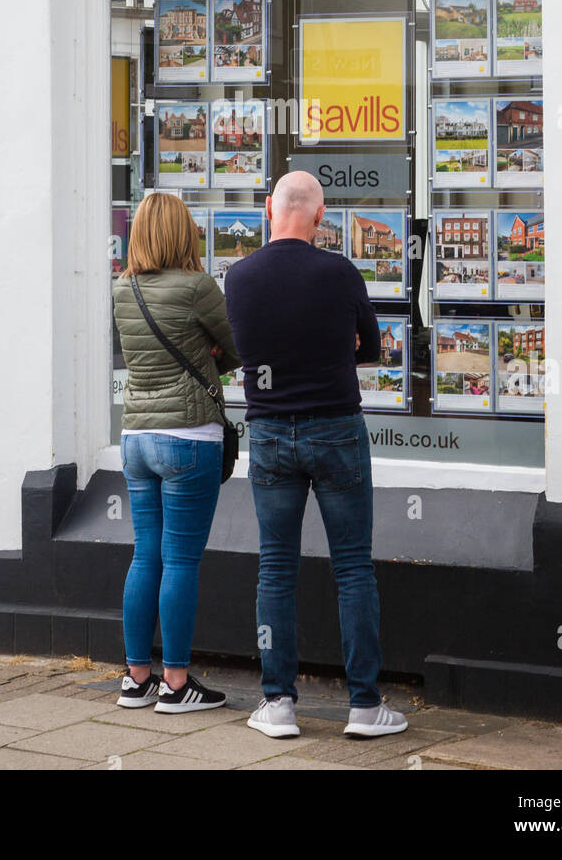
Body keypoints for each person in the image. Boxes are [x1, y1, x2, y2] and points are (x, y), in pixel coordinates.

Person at [224, 171, 408, 740]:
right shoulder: (339, 271)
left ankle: (278, 704)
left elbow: (240, 350)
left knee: (275, 568)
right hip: (336, 430)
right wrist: (338, 344)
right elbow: (373, 348)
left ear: (267, 210)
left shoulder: (239, 276)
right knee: (353, 567)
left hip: (271, 434)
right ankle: (364, 706)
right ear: (321, 218)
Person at [112, 191, 240, 713]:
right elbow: (237, 349)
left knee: (146, 554)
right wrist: (212, 352)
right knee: (181, 560)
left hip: (136, 437)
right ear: (183, 233)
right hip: (188, 436)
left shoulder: (122, 288)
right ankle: (176, 682)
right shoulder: (197, 287)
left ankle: (135, 678)